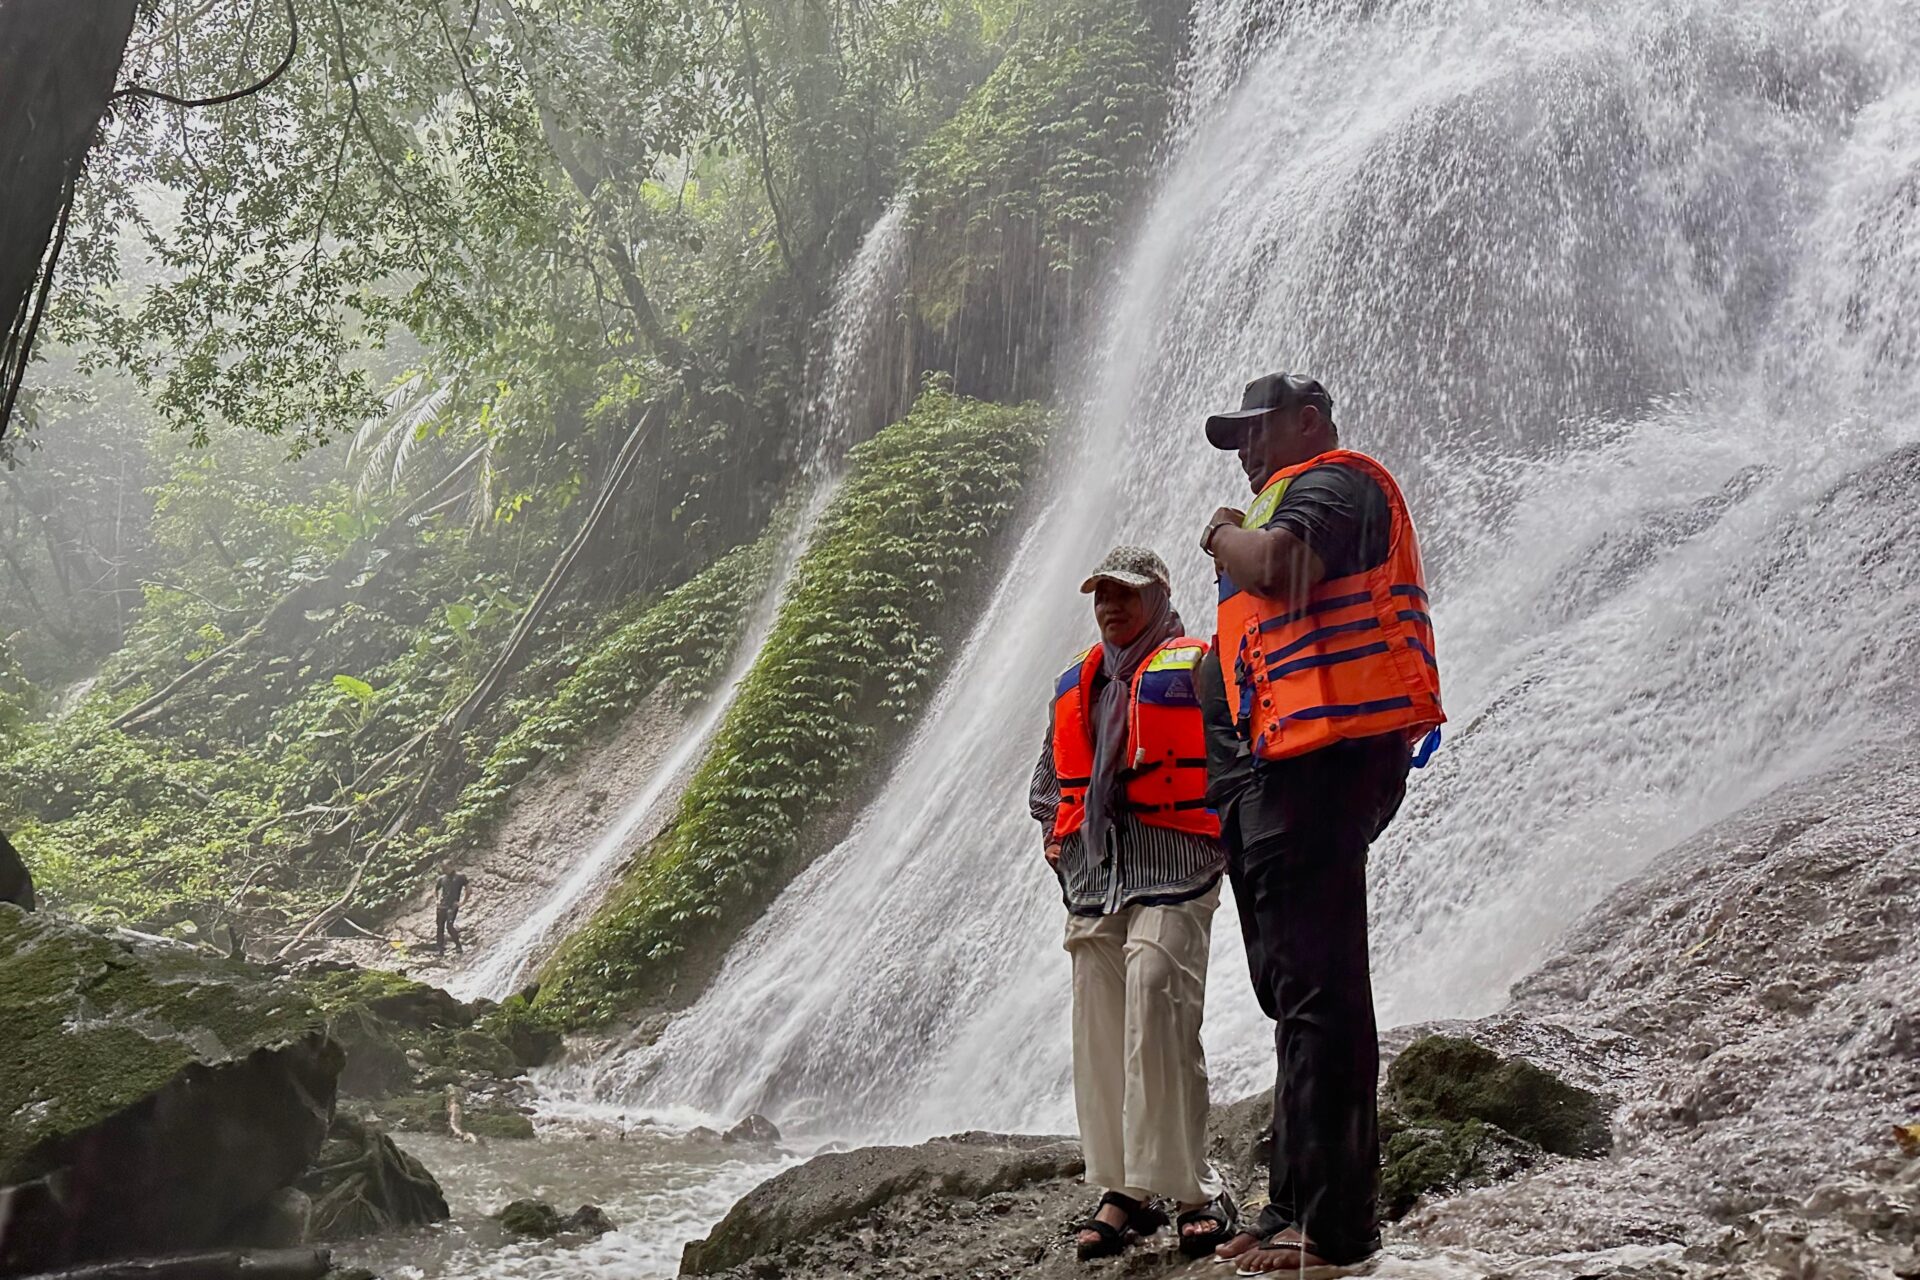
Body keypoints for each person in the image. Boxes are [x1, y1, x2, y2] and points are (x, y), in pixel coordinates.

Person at [1195, 374, 1444, 1272]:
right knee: (1293, 993)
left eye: (1259, 430)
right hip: (1276, 777)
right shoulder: (1281, 506)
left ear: (1308, 422)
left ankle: (1335, 1228)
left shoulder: (1334, 483)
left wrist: (1223, 533)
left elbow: (1287, 572)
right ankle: (1289, 1205)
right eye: (1237, 438)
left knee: (1323, 995)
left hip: (1326, 768)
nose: (1247, 449)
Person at [1028, 545, 1240, 1262]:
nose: (1111, 607)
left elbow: (1236, 759)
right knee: (1100, 1028)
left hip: (1177, 868)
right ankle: (1123, 1190)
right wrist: (1060, 843)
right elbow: (1048, 784)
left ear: (1159, 596)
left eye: (1126, 594)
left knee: (1158, 1003)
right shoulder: (1080, 686)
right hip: (1096, 883)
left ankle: (1193, 1190)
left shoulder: (1200, 666)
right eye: (1102, 596)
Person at [433, 862, 469, 954]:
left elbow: (468, 889)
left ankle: (458, 945)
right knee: (439, 927)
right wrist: (436, 900)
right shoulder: (442, 878)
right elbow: (436, 890)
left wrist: (462, 902)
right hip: (442, 905)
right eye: (443, 868)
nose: (444, 870)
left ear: (451, 866)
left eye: (445, 868)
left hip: (452, 906)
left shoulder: (460, 877)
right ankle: (440, 949)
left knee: (449, 926)